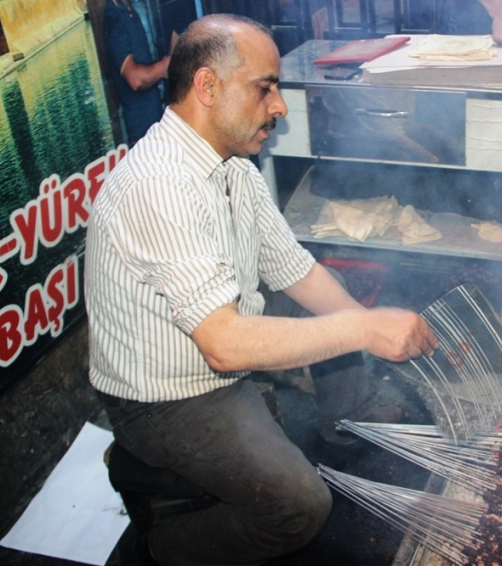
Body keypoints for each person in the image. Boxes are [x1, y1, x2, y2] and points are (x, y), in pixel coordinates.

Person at [85, 13, 438, 565]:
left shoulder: (234, 169)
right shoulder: (158, 187)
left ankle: (344, 421)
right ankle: (156, 549)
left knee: (335, 287)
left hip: (217, 339)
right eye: (265, 87)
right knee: (300, 506)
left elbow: (296, 271)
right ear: (207, 86)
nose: (280, 106)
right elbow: (224, 344)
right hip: (167, 396)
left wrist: (370, 332)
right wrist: (364, 327)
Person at [103, 0, 175, 145]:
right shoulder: (113, 18)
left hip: (157, 127)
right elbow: (134, 79)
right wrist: (163, 67)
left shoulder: (131, 10)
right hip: (141, 136)